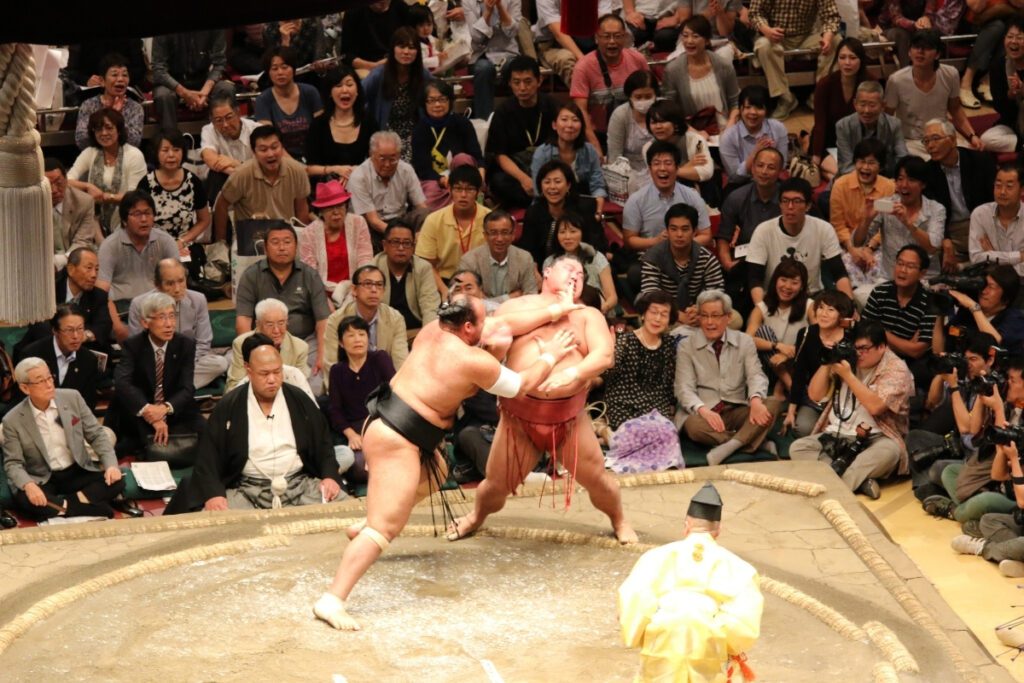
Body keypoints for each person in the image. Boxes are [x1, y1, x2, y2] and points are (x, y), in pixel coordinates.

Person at [313, 286, 584, 630]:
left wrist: (554, 310)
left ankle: (373, 519)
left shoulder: (431, 330)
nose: (489, 325)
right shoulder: (474, 361)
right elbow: (521, 384)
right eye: (482, 321)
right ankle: (333, 599)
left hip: (386, 424)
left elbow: (503, 323)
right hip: (399, 439)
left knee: (438, 471)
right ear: (468, 328)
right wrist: (552, 355)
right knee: (385, 529)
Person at [446, 255, 637, 544]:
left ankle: (620, 520)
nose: (575, 275)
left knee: (599, 481)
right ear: (546, 273)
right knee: (495, 488)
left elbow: (604, 356)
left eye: (581, 274)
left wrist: (572, 371)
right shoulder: (517, 307)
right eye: (568, 269)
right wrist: (555, 311)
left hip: (569, 418)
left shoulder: (588, 316)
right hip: (519, 419)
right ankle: (475, 517)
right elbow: (498, 329)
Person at [165, 338, 343, 513]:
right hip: (247, 491)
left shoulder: (300, 400)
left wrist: (329, 477)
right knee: (210, 523)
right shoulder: (229, 405)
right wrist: (214, 494)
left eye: (277, 372)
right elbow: (209, 455)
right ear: (248, 371)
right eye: (265, 374)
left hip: (299, 486)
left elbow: (323, 444)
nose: (272, 379)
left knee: (347, 509)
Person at [618, 482, 763, 682]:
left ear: (686, 526)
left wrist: (643, 631)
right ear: (718, 530)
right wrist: (720, 638)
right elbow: (744, 622)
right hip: (708, 636)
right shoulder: (739, 567)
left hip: (662, 632)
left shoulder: (654, 557)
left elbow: (634, 601)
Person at [789, 320, 914, 499]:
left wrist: (847, 376)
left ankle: (834, 492)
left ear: (881, 347)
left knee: (890, 453)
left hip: (876, 437)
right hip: (838, 434)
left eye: (863, 349)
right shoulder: (847, 357)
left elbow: (876, 406)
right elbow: (815, 395)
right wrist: (828, 362)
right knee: (798, 448)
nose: (858, 354)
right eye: (855, 348)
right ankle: (860, 481)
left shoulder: (897, 369)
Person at [2, 358, 124, 522]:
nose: (49, 384)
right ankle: (88, 507)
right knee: (25, 498)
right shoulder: (13, 419)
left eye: (49, 378)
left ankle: (64, 506)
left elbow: (96, 434)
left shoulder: (72, 397)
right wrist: (29, 485)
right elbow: (13, 463)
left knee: (117, 481)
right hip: (43, 476)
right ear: (25, 388)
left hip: (76, 469)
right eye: (40, 381)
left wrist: (110, 465)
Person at [676, 289, 781, 464]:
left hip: (737, 407)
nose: (710, 322)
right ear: (699, 318)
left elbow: (756, 376)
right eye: (705, 316)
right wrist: (703, 410)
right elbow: (683, 388)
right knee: (693, 427)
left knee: (772, 404)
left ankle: (729, 446)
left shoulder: (744, 341)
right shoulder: (686, 346)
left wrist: (755, 400)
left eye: (716, 316)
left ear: (728, 317)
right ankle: (755, 442)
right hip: (705, 411)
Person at [108, 292, 204, 456]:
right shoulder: (133, 345)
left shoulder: (185, 345)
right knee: (139, 443)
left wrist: (164, 409)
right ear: (145, 323)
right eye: (161, 317)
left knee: (205, 436)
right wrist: (149, 411)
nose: (169, 324)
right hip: (140, 407)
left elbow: (187, 388)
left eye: (172, 316)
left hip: (172, 407)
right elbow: (122, 382)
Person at [234, 223, 330, 383]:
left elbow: (323, 320)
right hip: (263, 342)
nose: (282, 247)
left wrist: (322, 356)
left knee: (314, 384)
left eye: (287, 242)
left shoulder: (310, 275)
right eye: (275, 242)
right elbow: (243, 321)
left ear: (296, 246)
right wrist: (251, 352)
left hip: (305, 342)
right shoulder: (251, 276)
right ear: (265, 247)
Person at [745, 177, 853, 303]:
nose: (790, 206)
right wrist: (763, 310)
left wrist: (850, 308)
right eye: (785, 201)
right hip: (775, 298)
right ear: (779, 204)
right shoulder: (763, 231)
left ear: (808, 206)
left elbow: (839, 273)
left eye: (797, 201)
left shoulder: (823, 228)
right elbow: (754, 279)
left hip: (812, 296)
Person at [127, 259, 230, 389]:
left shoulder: (198, 300)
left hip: (188, 361)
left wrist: (183, 365)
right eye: (169, 284)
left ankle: (165, 389)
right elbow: (137, 347)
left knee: (219, 363)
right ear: (157, 285)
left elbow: (203, 342)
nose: (177, 289)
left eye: (181, 281)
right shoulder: (139, 304)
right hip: (154, 364)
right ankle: (178, 389)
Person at [95, 191, 179, 343]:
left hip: (157, 307)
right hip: (122, 311)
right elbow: (101, 293)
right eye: (137, 214)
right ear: (124, 220)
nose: (144, 219)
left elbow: (177, 282)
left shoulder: (165, 241)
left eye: (148, 213)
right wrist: (117, 326)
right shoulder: (110, 246)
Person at [884, 30, 982, 159]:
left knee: (969, 158)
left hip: (942, 137)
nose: (920, 51)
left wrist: (972, 135)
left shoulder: (950, 74)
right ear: (909, 52)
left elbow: (955, 108)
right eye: (916, 47)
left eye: (927, 48)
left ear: (938, 54)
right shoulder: (896, 80)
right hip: (911, 141)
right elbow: (887, 117)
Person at [855, 156, 944, 289]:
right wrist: (866, 220)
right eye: (900, 179)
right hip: (890, 279)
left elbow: (933, 246)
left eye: (911, 179)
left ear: (923, 184)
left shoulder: (936, 209)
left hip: (926, 280)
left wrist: (908, 223)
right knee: (859, 296)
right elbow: (857, 242)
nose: (904, 185)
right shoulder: (886, 205)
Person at [212, 125, 312, 244]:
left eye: (274, 147)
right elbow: (221, 205)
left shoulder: (297, 171)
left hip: (286, 237)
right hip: (252, 239)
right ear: (254, 152)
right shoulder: (241, 174)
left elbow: (301, 209)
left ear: (282, 147)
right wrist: (220, 243)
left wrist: (302, 241)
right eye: (263, 149)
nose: (270, 154)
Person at [327, 316, 397, 484]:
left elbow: (395, 393)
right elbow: (335, 410)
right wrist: (351, 435)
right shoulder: (337, 371)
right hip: (356, 430)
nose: (357, 339)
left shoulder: (380, 359)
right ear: (341, 343)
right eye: (350, 335)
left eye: (361, 334)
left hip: (384, 423)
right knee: (359, 468)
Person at [485, 56, 560, 210]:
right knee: (500, 182)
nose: (522, 88)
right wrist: (524, 179)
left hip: (548, 167)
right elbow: (500, 155)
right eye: (516, 82)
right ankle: (545, 200)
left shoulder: (552, 106)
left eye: (528, 81)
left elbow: (563, 145)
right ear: (510, 84)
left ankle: (540, 198)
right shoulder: (503, 112)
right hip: (517, 170)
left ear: (539, 81)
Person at [716, 146, 783, 318]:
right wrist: (727, 262)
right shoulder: (737, 197)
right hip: (745, 260)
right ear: (752, 168)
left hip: (780, 259)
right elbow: (723, 237)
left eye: (771, 167)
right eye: (760, 165)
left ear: (780, 171)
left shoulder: (788, 199)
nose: (764, 171)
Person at [622, 142, 712, 268]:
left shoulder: (692, 196)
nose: (662, 168)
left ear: (677, 168)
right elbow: (629, 240)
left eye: (668, 163)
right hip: (650, 258)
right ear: (650, 169)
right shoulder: (636, 200)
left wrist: (680, 243)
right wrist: (656, 242)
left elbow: (706, 235)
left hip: (687, 258)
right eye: (657, 163)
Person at [570, 14, 649, 157]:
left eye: (617, 36)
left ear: (625, 37)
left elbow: (650, 97)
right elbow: (581, 112)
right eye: (606, 36)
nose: (612, 42)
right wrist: (595, 147)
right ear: (596, 38)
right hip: (598, 136)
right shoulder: (583, 67)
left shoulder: (638, 60)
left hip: (633, 133)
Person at [922, 118, 996, 269]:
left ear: (953, 140)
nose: (930, 145)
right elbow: (931, 213)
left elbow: (995, 202)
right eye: (926, 141)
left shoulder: (980, 161)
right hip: (950, 228)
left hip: (981, 224)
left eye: (935, 139)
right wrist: (946, 239)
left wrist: (989, 231)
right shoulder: (927, 172)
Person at [749, 0, 840, 119]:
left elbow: (831, 16)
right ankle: (786, 98)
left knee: (836, 40)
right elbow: (755, 13)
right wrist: (767, 31)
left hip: (806, 36)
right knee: (763, 46)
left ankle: (819, 96)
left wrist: (827, 39)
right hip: (775, 37)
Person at [862, 245, 938, 388]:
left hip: (909, 364)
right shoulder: (880, 292)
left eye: (910, 266)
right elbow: (866, 333)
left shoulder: (929, 302)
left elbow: (916, 351)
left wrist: (879, 330)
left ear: (922, 273)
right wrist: (907, 344)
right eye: (900, 263)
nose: (903, 270)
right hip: (875, 356)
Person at [640, 203, 726, 327]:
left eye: (685, 229)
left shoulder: (706, 258)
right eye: (673, 229)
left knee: (735, 320)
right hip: (666, 314)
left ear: (694, 232)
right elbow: (650, 295)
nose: (679, 234)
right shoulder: (653, 257)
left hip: (700, 313)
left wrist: (700, 311)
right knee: (653, 323)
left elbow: (717, 292)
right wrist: (678, 315)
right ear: (667, 231)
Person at [603, 290, 678, 431]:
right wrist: (609, 357)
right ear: (643, 314)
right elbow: (608, 371)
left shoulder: (668, 343)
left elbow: (668, 379)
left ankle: (609, 438)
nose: (657, 319)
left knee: (664, 434)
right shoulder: (626, 340)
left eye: (664, 314)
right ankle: (607, 434)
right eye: (653, 312)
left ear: (669, 320)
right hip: (624, 403)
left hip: (656, 404)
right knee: (637, 433)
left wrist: (671, 406)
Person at [323, 265, 410, 386]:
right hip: (348, 386)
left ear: (384, 291)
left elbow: (400, 363)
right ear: (354, 290)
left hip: (384, 389)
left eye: (379, 285)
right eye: (368, 284)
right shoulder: (336, 320)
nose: (374, 290)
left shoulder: (395, 319)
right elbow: (331, 364)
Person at [785, 290, 856, 437]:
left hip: (843, 398)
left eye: (831, 310)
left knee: (841, 431)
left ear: (841, 315)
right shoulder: (806, 333)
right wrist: (791, 411)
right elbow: (799, 373)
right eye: (821, 307)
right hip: (814, 396)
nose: (823, 313)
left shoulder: (852, 336)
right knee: (802, 429)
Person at [66, 107, 147, 234]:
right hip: (94, 221)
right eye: (98, 129)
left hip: (127, 219)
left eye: (109, 128)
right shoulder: (90, 153)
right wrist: (87, 186)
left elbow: (135, 196)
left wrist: (106, 197)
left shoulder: (134, 155)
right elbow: (66, 181)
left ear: (119, 130)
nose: (103, 133)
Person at [135, 129, 211, 257]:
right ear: (156, 153)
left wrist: (182, 242)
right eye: (165, 150)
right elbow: (138, 221)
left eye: (176, 150)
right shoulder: (146, 184)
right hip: (152, 244)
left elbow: (204, 220)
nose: (171, 155)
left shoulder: (193, 181)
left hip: (184, 244)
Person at [411, 80, 485, 210]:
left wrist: (480, 178)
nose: (438, 104)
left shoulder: (462, 123)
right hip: (435, 180)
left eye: (442, 99)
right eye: (432, 100)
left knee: (462, 158)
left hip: (463, 178)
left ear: (450, 101)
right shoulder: (420, 129)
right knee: (429, 197)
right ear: (424, 103)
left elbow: (476, 156)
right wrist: (442, 180)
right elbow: (423, 169)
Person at [348, 131, 429, 246]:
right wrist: (402, 236)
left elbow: (421, 206)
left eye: (392, 159)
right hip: (371, 225)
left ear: (399, 155)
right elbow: (373, 220)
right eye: (382, 159)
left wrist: (420, 231)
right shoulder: (359, 176)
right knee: (366, 231)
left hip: (399, 220)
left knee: (425, 214)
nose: (387, 164)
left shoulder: (406, 170)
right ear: (371, 155)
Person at [14, 304, 101, 412]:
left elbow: (88, 403)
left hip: (72, 420)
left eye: (80, 329)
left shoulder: (88, 359)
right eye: (69, 330)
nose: (76, 336)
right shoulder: (32, 354)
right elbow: (23, 399)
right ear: (55, 331)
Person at [663, 15, 740, 137]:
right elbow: (670, 110)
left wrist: (730, 126)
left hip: (725, 129)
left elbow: (735, 102)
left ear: (707, 40)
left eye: (695, 36)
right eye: (685, 35)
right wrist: (694, 133)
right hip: (690, 131)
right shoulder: (672, 70)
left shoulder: (723, 65)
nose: (689, 41)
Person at [521, 159, 606, 269]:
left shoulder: (585, 208)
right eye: (547, 182)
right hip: (546, 270)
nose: (552, 187)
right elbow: (528, 251)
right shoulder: (534, 212)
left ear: (568, 185)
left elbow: (597, 246)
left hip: (583, 267)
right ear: (541, 186)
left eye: (557, 181)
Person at [363, 28, 431, 163]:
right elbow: (358, 95)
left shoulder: (423, 75)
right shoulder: (378, 75)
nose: (406, 52)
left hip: (413, 134)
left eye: (411, 47)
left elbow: (438, 94)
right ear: (392, 49)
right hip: (385, 135)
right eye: (401, 46)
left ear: (417, 51)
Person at [304, 66, 379, 187]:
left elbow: (377, 160)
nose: (345, 90)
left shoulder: (369, 122)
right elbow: (310, 169)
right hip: (327, 190)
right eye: (338, 86)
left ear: (357, 91)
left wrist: (358, 170)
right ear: (330, 92)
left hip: (362, 186)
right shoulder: (318, 125)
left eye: (349, 85)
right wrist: (335, 169)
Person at [830, 138, 896, 273]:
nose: (865, 167)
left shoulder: (889, 187)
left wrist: (869, 248)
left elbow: (886, 225)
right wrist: (852, 248)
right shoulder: (840, 185)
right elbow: (838, 225)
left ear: (881, 166)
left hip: (878, 246)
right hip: (846, 245)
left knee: (880, 270)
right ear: (855, 162)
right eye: (861, 161)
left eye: (871, 163)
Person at [300, 179, 374, 300]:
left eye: (340, 206)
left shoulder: (358, 223)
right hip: (320, 293)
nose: (336, 212)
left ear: (346, 206)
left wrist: (356, 290)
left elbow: (365, 260)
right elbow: (310, 275)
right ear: (321, 211)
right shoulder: (309, 233)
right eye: (330, 208)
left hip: (355, 290)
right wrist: (328, 298)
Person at [745, 258, 811, 393]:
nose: (787, 286)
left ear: (802, 286)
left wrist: (789, 353)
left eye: (794, 283)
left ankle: (783, 386)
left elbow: (819, 336)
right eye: (783, 280)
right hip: (769, 369)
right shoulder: (762, 308)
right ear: (775, 280)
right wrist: (777, 346)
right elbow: (747, 340)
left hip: (798, 365)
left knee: (807, 336)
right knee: (763, 331)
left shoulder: (810, 306)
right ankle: (788, 384)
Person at [530, 101, 607, 217]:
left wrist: (598, 208)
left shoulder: (590, 151)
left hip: (581, 201)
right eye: (564, 119)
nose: (570, 125)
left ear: (582, 126)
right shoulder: (542, 153)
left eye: (575, 120)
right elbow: (538, 191)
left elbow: (598, 186)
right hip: (549, 204)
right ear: (554, 125)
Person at [810, 38, 871, 181]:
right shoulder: (825, 84)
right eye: (842, 57)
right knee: (848, 174)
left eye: (852, 58)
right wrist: (816, 158)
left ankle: (831, 177)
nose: (847, 63)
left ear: (861, 60)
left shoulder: (870, 83)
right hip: (829, 139)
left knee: (853, 175)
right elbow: (820, 125)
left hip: (859, 141)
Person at [416, 165, 490, 281]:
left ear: (478, 191)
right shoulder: (433, 220)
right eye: (458, 189)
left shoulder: (490, 219)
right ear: (449, 189)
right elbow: (427, 265)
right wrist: (444, 291)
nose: (463, 195)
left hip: (481, 279)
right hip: (444, 279)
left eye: (470, 189)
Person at [151, 30, 232, 131]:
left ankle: (224, 139)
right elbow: (158, 69)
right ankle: (171, 141)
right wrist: (185, 93)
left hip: (203, 79)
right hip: (172, 81)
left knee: (226, 88)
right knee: (163, 96)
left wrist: (204, 92)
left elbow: (220, 63)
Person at [226, 298, 311, 394]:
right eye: (270, 325)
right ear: (258, 324)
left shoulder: (300, 348)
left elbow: (301, 387)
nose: (276, 330)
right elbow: (234, 386)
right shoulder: (241, 343)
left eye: (281, 323)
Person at [935, 265, 1024, 355]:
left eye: (991, 287)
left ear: (1006, 294)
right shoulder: (967, 313)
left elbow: (994, 343)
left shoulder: (1015, 318)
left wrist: (973, 306)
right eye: (983, 285)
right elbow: (938, 351)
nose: (984, 291)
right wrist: (940, 312)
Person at [253, 46, 324, 159]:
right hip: (281, 159)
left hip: (314, 154)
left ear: (294, 69)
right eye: (274, 69)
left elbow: (322, 130)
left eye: (285, 67)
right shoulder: (263, 100)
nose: (280, 72)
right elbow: (269, 140)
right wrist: (295, 166)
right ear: (268, 73)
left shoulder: (310, 92)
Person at [459, 210, 541, 305]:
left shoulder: (524, 258)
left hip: (516, 314)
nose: (499, 239)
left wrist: (488, 302)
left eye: (505, 232)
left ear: (513, 235)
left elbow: (531, 296)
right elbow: (468, 302)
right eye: (493, 233)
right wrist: (509, 297)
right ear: (485, 236)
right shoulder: (469, 261)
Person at [543, 214, 618, 314]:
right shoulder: (550, 262)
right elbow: (547, 296)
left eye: (573, 231)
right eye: (562, 232)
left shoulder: (597, 257)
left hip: (595, 310)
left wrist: (601, 309)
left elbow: (612, 297)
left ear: (583, 233)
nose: (567, 237)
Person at [644, 100, 716, 203]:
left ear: (676, 122)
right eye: (654, 122)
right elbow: (656, 179)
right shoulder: (648, 148)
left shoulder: (695, 140)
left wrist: (669, 172)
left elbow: (706, 172)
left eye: (663, 121)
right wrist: (688, 167)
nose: (658, 126)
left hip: (700, 192)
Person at [374, 222, 442, 330]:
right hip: (382, 332)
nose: (401, 248)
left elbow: (430, 307)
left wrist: (428, 336)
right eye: (395, 242)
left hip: (416, 331)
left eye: (406, 243)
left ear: (413, 247)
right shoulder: (372, 268)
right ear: (385, 245)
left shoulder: (423, 268)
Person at [835, 81, 908, 179]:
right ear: (855, 104)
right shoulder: (843, 126)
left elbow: (903, 159)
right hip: (853, 179)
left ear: (883, 105)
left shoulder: (894, 125)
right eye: (862, 104)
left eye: (872, 105)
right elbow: (846, 166)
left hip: (886, 180)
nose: (866, 110)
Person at [718, 85, 789, 186]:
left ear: (766, 110)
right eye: (748, 107)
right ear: (741, 109)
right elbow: (734, 177)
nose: (753, 112)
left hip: (772, 181)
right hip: (742, 185)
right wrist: (755, 154)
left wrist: (772, 156)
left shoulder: (778, 128)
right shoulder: (728, 137)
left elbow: (783, 165)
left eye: (759, 108)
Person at [464, 0, 521, 121]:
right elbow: (476, 37)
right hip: (480, 56)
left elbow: (513, 31)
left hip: (508, 53)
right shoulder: (468, 1)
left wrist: (500, 6)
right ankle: (484, 124)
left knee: (512, 67)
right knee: (484, 69)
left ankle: (518, 121)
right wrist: (488, 11)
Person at [73, 52, 143, 151]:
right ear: (102, 81)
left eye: (124, 75)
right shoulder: (88, 105)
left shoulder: (135, 107)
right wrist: (108, 115)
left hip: (124, 157)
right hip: (94, 156)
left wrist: (116, 117)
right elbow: (82, 140)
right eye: (114, 75)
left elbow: (134, 142)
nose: (120, 79)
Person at [199, 92, 260, 205]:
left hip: (255, 180)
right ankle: (215, 217)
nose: (225, 124)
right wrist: (236, 171)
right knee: (215, 175)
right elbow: (210, 158)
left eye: (229, 117)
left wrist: (236, 164)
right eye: (219, 120)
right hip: (227, 179)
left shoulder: (256, 129)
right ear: (212, 120)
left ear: (238, 113)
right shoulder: (208, 130)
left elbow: (263, 166)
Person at [606, 70, 660, 191]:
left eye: (648, 96)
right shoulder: (620, 115)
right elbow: (614, 157)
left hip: (658, 167)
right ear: (629, 97)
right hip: (627, 171)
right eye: (638, 97)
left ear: (656, 95)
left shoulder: (664, 111)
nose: (643, 101)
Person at [44, 158, 100, 271]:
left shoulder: (84, 202)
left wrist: (59, 262)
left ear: (66, 180)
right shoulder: (31, 205)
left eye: (58, 183)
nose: (54, 190)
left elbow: (83, 241)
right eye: (48, 185)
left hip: (74, 262)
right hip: (42, 263)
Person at [968, 163, 1024, 277]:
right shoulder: (980, 214)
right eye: (998, 185)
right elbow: (976, 258)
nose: (1002, 192)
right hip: (990, 282)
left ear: (1022, 190)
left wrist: (992, 255)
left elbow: (986, 261)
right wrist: (1019, 256)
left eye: (1009, 186)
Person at [880, 0, 965, 67]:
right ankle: (909, 75)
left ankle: (931, 74)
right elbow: (896, 18)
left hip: (919, 27)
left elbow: (929, 12)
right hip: (892, 29)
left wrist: (925, 19)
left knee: (931, 32)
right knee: (902, 35)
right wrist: (915, 24)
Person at [984, 17, 1024, 154]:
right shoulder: (998, 66)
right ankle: (1021, 146)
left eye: (1020, 37)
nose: (1014, 41)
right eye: (1010, 37)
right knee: (987, 139)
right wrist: (1011, 94)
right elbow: (1000, 107)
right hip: (1013, 123)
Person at [341, 0, 413, 73]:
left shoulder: (401, 8)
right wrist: (373, 66)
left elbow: (412, 43)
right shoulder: (354, 11)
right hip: (366, 67)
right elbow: (346, 55)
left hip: (397, 63)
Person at [532, 0, 588, 87]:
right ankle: (586, 98)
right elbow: (558, 33)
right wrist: (585, 61)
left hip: (586, 41)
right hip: (550, 45)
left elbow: (604, 22)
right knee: (566, 59)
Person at [622, 0, 687, 52]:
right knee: (629, 36)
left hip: (668, 15)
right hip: (640, 14)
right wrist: (630, 12)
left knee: (665, 37)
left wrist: (676, 18)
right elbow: (629, 10)